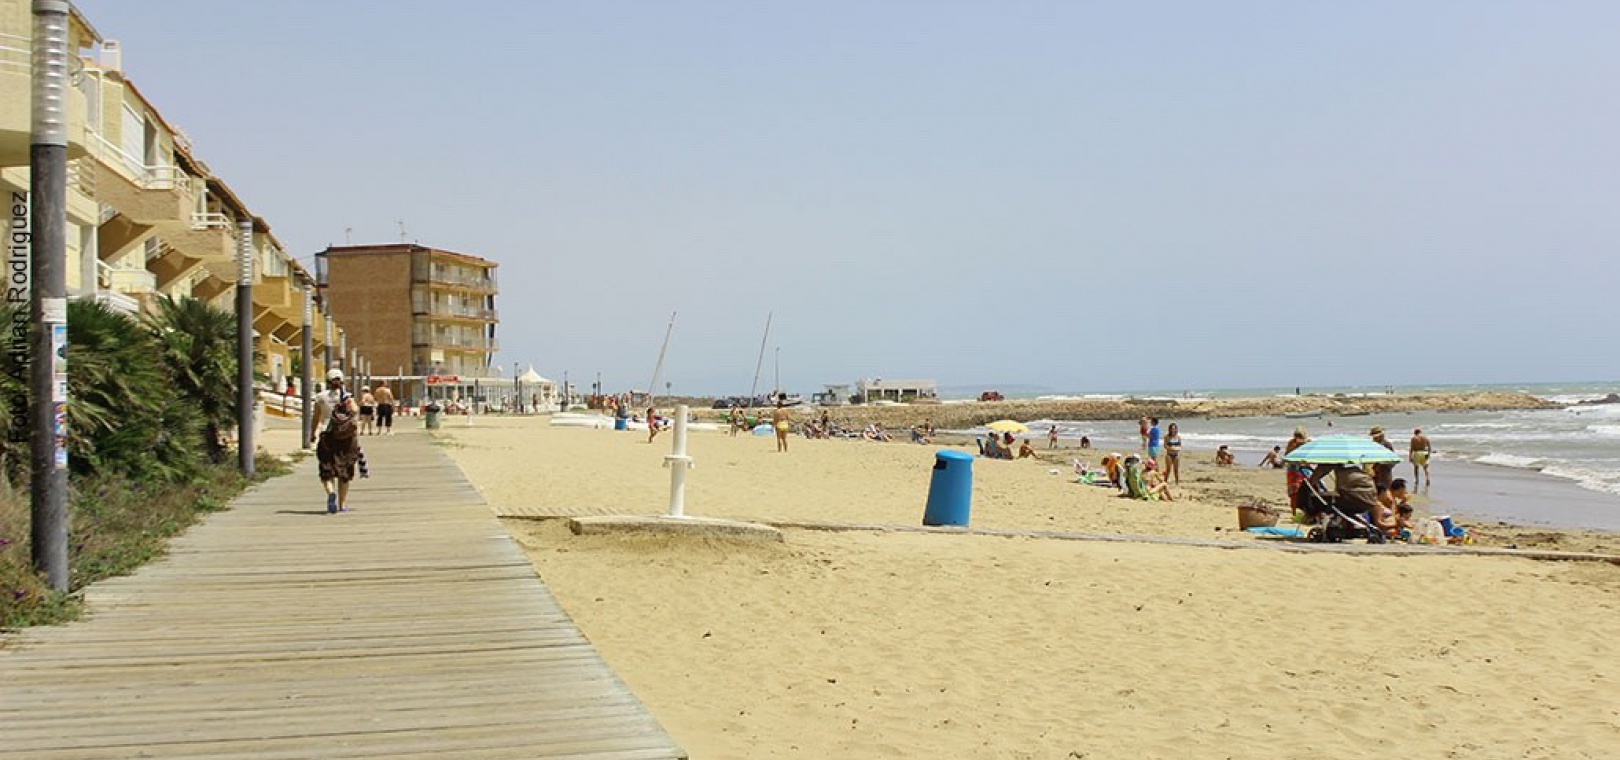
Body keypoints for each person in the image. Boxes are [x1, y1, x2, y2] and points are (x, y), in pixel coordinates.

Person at [311, 368, 361, 514]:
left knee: (327, 468)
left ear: (327, 382)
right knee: (345, 470)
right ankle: (342, 504)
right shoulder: (347, 397)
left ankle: (331, 492)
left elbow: (316, 418)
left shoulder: (320, 397)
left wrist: (312, 433)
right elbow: (355, 411)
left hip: (327, 435)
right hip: (346, 437)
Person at [1306, 462, 1380, 520]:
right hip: (1368, 499)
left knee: (1322, 501)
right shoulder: (1354, 470)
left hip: (1353, 498)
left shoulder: (1341, 468)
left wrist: (1311, 482)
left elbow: (1323, 469)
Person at [1369, 426, 1397, 493]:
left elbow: (1393, 460)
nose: (1374, 438)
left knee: (1385, 490)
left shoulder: (1386, 444)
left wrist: (1382, 463)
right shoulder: (1373, 444)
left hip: (1384, 472)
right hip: (1376, 472)